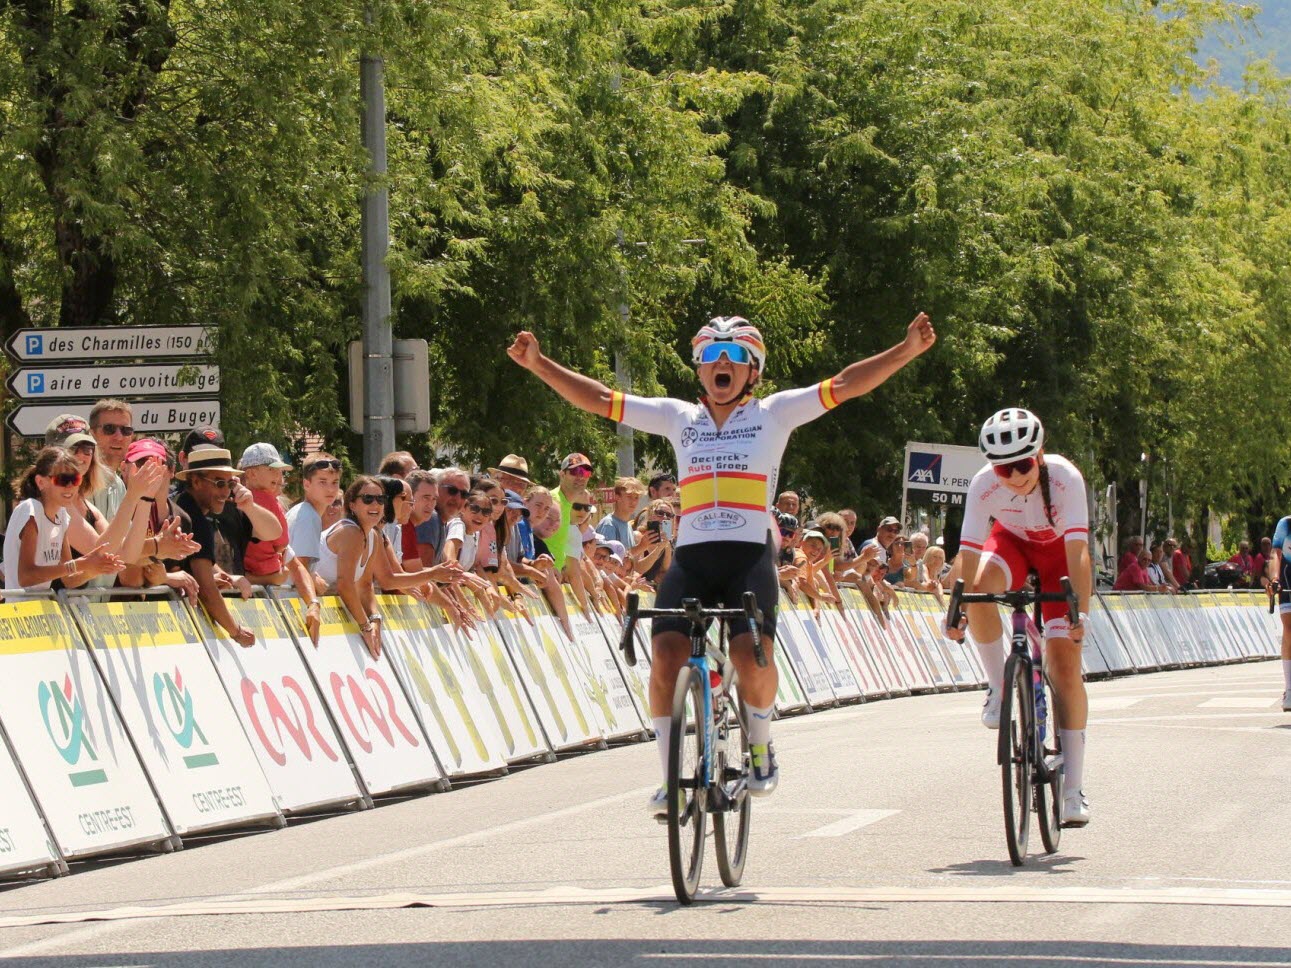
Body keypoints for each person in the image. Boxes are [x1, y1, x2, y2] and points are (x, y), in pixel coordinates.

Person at [510, 309, 936, 817]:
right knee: (665, 654)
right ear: (700, 367)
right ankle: (670, 779)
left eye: (734, 355)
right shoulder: (678, 418)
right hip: (692, 557)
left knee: (750, 655)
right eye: (712, 355)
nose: (722, 363)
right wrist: (539, 364)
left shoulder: (773, 414)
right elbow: (602, 399)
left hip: (748, 556)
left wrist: (906, 350)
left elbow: (844, 384)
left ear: (753, 370)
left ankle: (760, 744)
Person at [945, 408, 1094, 827]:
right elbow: (968, 554)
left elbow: (1078, 552)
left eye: (1022, 465)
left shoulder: (1066, 478)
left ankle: (1073, 790)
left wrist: (1080, 611)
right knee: (978, 589)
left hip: (1058, 554)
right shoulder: (983, 485)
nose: (1012, 476)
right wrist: (955, 608)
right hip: (1011, 544)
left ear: (1040, 455)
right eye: (1002, 468)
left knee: (1066, 667)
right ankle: (997, 687)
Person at [314, 476, 461, 657]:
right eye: (368, 499)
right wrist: (366, 626)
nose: (375, 504)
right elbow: (347, 585)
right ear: (352, 505)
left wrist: (375, 618)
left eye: (380, 499)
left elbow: (367, 586)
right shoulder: (350, 532)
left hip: (325, 606)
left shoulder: (373, 535)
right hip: (300, 605)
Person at [5, 447, 125, 592]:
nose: (70, 486)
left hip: (41, 604)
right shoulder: (31, 509)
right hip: (20, 605)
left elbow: (69, 580)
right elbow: (26, 577)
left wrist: (94, 568)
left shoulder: (61, 516)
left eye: (75, 479)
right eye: (62, 480)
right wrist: (80, 564)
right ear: (41, 482)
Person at [239, 443, 293, 584]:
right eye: (271, 469)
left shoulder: (237, 498)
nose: (278, 474)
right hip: (266, 569)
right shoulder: (269, 500)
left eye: (279, 470)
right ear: (251, 474)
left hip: (242, 566)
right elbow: (282, 542)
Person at [286, 452, 343, 571]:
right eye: (322, 482)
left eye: (335, 482)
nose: (330, 489)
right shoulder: (309, 517)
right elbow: (300, 569)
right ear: (306, 484)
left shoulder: (302, 511)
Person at [86, 399, 134, 520]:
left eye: (126, 430)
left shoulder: (119, 485)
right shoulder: (81, 481)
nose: (119, 437)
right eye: (109, 429)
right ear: (92, 434)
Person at [1266, 515, 1291, 711]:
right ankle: (1290, 689)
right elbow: (1276, 553)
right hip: (1287, 580)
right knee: (1289, 629)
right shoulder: (1286, 524)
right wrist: (1274, 579)